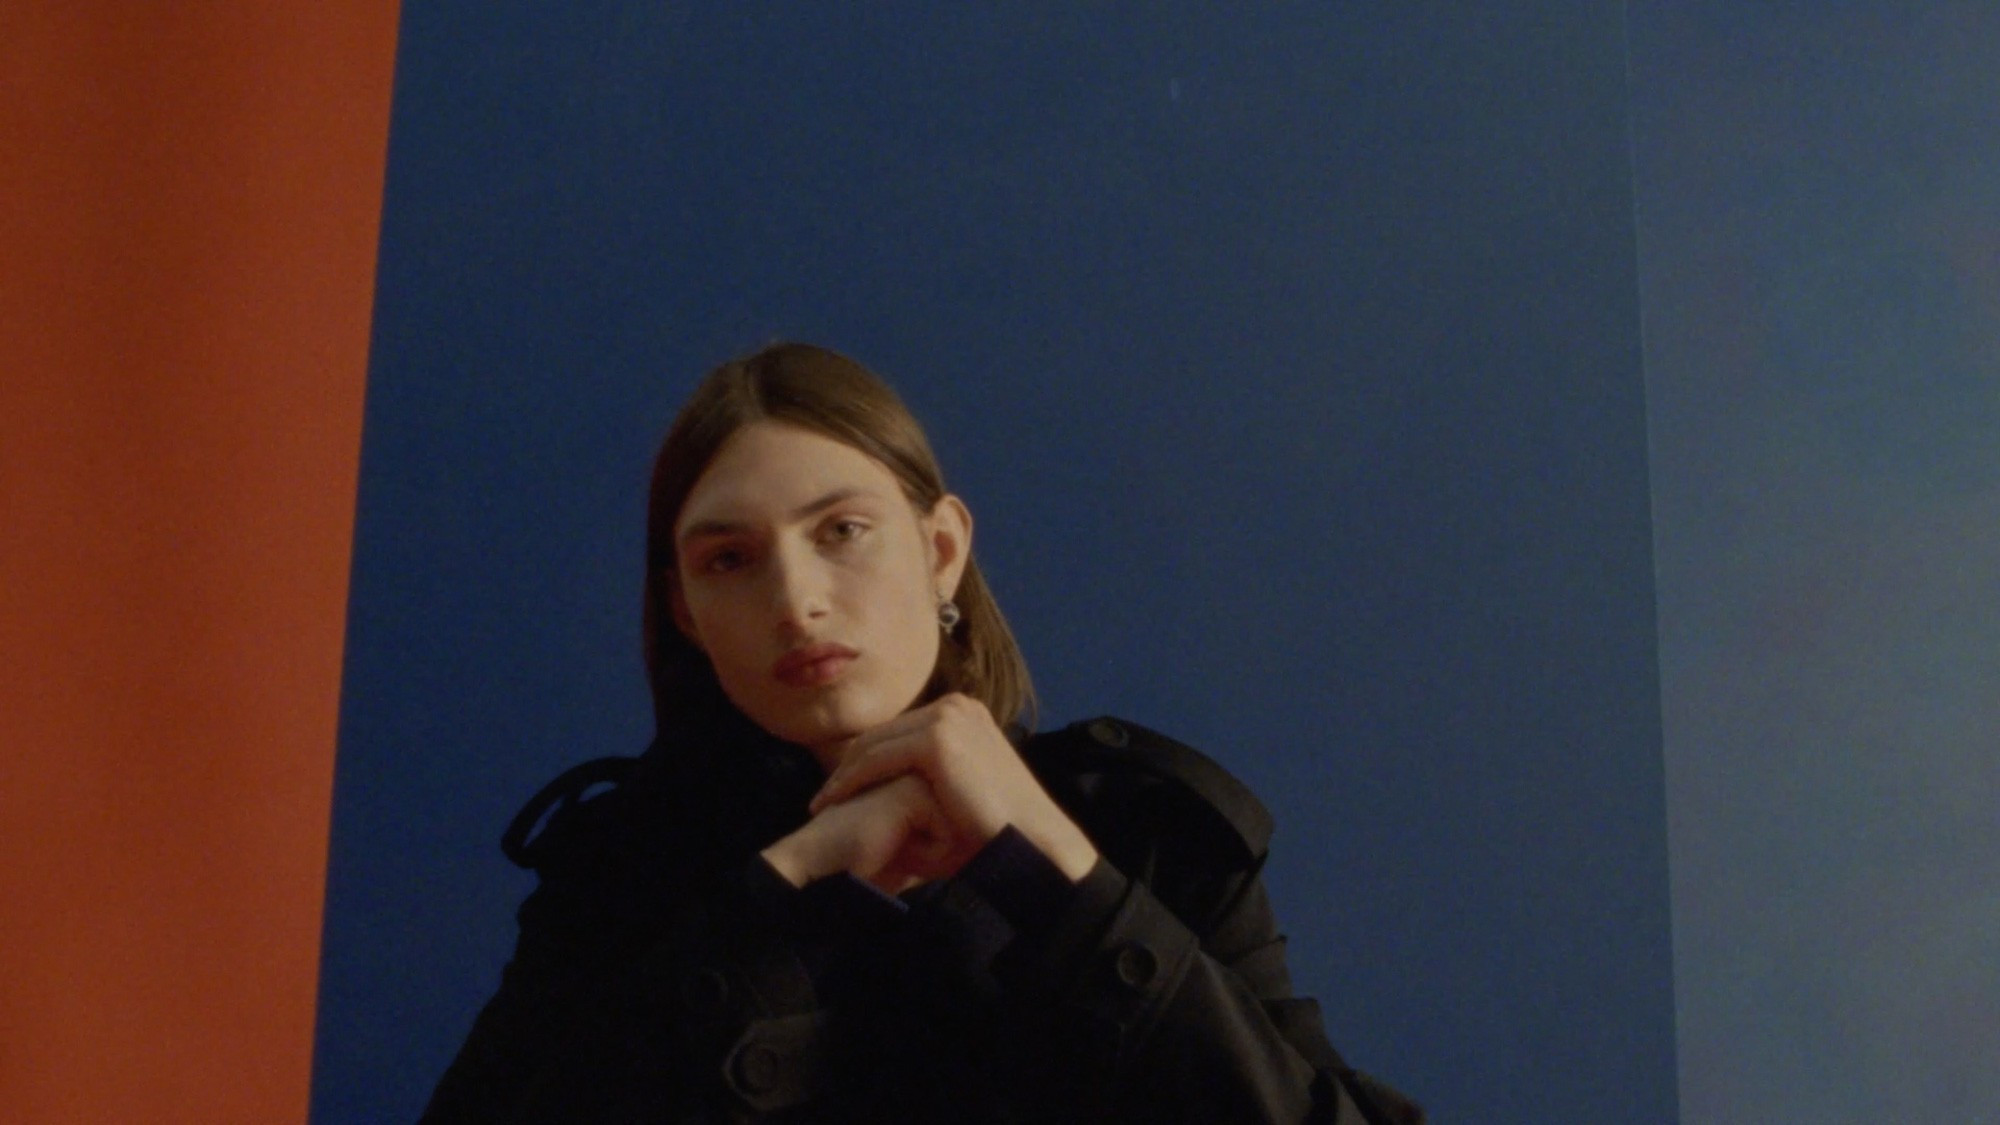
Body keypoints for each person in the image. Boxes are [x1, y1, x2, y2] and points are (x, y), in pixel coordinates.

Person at [419, 343, 1423, 1123]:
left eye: (841, 531)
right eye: (729, 559)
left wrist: (1068, 883)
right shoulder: (621, 874)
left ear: (940, 550)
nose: (796, 600)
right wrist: (783, 887)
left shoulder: (1148, 831)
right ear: (685, 611)